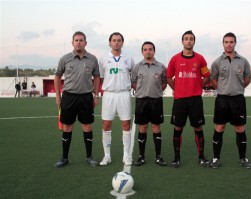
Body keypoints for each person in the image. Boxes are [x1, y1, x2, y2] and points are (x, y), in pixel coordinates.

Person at [54, 31, 100, 168]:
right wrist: (58, 96)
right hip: (69, 96)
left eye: (81, 40)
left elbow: (97, 77)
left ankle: (89, 156)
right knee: (67, 126)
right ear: (72, 43)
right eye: (76, 40)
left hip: (86, 97)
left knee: (87, 126)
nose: (78, 42)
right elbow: (57, 76)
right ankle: (64, 158)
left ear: (86, 43)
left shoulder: (92, 59)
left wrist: (96, 95)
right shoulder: (65, 58)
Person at [166, 30, 211, 168]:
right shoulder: (175, 59)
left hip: (195, 100)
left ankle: (202, 157)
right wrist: (177, 88)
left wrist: (199, 86)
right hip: (180, 100)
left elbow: (207, 76)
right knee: (178, 128)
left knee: (198, 127)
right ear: (182, 41)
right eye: (186, 39)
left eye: (191, 38)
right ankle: (176, 158)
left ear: (194, 41)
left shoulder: (200, 59)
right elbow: (168, 77)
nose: (189, 41)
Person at [209, 32, 251, 169]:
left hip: (238, 99)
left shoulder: (243, 61)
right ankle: (216, 159)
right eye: (226, 42)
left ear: (235, 43)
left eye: (231, 42)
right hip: (222, 99)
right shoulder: (217, 62)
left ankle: (243, 158)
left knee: (240, 129)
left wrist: (238, 88)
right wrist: (222, 89)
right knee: (219, 128)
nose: (229, 44)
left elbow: (248, 78)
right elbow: (213, 79)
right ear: (223, 44)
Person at [98, 32, 135, 166]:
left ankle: (126, 155)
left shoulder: (129, 59)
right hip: (109, 94)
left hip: (124, 93)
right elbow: (101, 77)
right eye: (114, 40)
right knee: (106, 125)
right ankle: (107, 155)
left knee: (126, 125)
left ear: (122, 43)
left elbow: (133, 76)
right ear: (110, 42)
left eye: (119, 40)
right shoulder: (103, 59)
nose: (116, 42)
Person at [131, 41, 167, 166]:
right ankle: (141, 156)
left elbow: (164, 83)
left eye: (150, 49)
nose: (148, 51)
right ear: (142, 52)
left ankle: (158, 156)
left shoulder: (161, 66)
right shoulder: (137, 67)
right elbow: (134, 83)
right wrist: (142, 91)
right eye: (145, 49)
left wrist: (155, 91)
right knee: (143, 127)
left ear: (154, 51)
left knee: (156, 127)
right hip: (141, 100)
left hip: (156, 100)